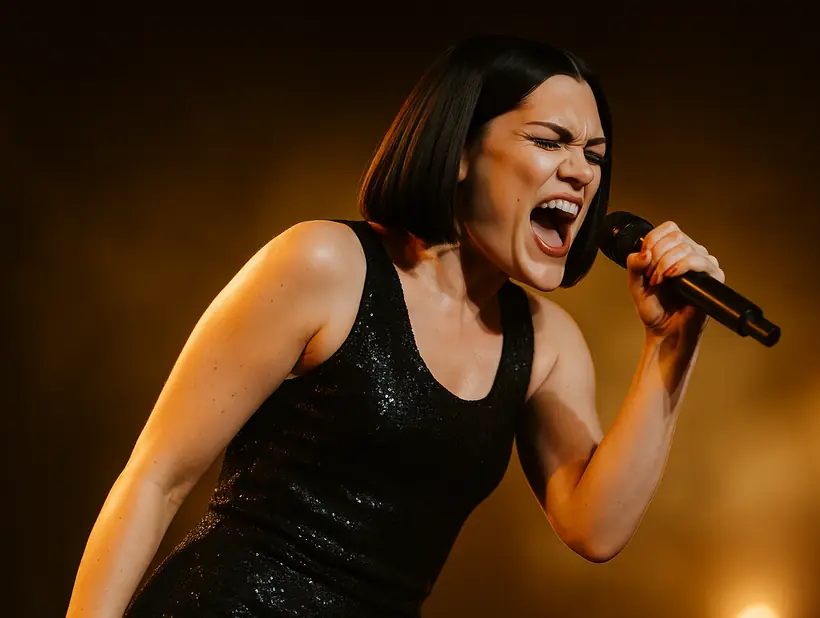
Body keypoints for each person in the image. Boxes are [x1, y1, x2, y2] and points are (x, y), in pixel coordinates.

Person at [66, 34, 725, 617]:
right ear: (461, 149)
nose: (582, 172)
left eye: (595, 154)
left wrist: (671, 348)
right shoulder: (325, 264)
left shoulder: (547, 345)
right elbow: (157, 477)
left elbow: (596, 529)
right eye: (550, 142)